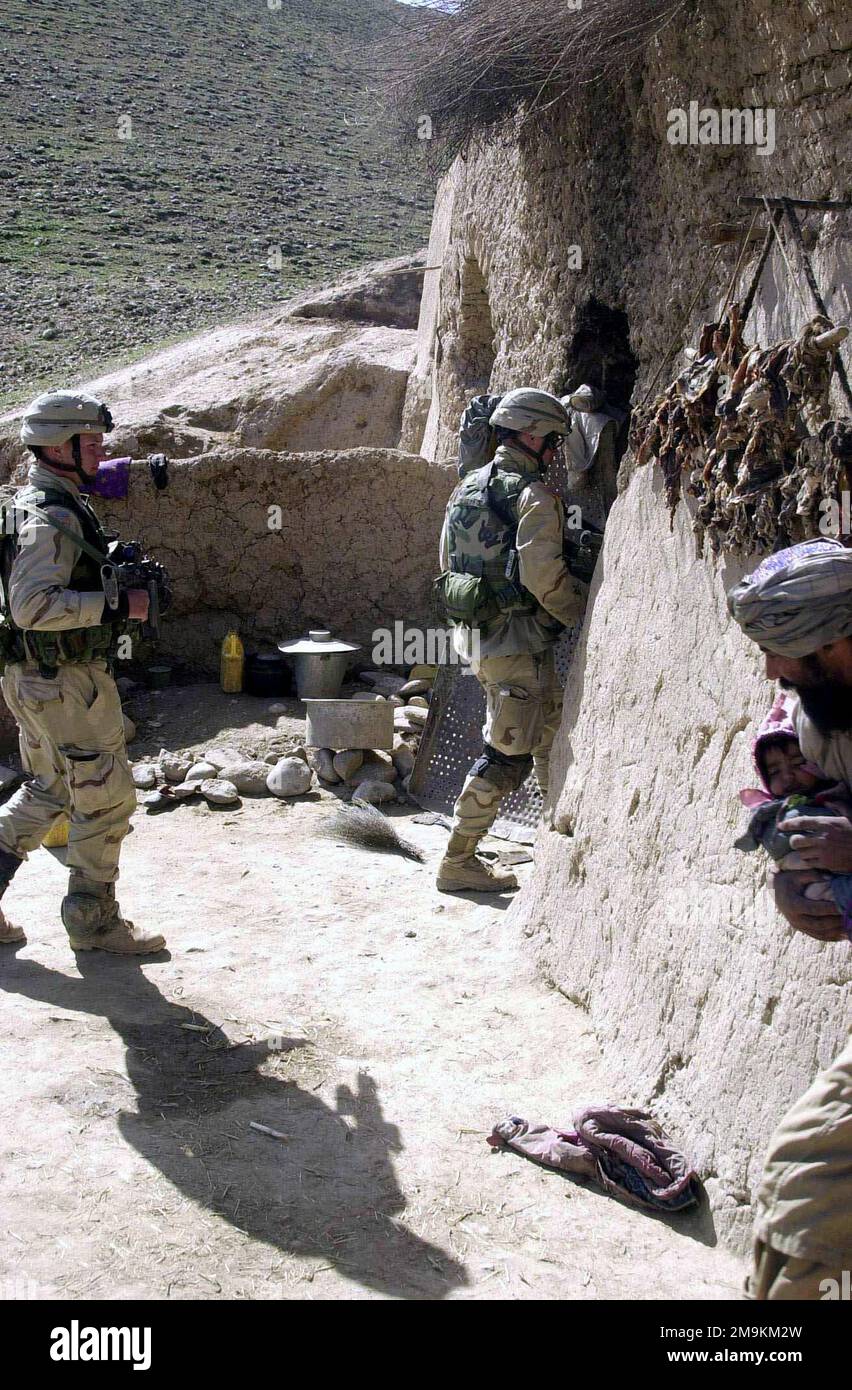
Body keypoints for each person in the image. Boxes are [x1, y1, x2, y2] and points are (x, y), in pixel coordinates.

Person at [727, 537, 852, 1299]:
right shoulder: (818, 708)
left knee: (806, 1185)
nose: (775, 672)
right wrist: (798, 867)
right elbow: (797, 786)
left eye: (791, 655)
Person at [0, 390, 165, 955]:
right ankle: (93, 922)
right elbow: (31, 605)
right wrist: (119, 605)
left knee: (49, 789)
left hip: (31, 680)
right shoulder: (52, 515)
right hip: (67, 682)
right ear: (57, 446)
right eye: (89, 441)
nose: (99, 449)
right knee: (106, 796)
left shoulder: (30, 502)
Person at [435, 388, 584, 893]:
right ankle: (459, 859)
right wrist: (583, 615)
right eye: (552, 441)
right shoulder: (533, 496)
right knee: (507, 753)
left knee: (547, 729)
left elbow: (447, 564)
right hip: (513, 643)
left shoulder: (466, 487)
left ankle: (549, 830)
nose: (555, 451)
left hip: (480, 638)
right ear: (531, 435)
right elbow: (545, 578)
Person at [735, 690, 852, 934]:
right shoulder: (779, 812)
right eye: (775, 771)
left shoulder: (837, 794)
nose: (788, 777)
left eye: (798, 763)